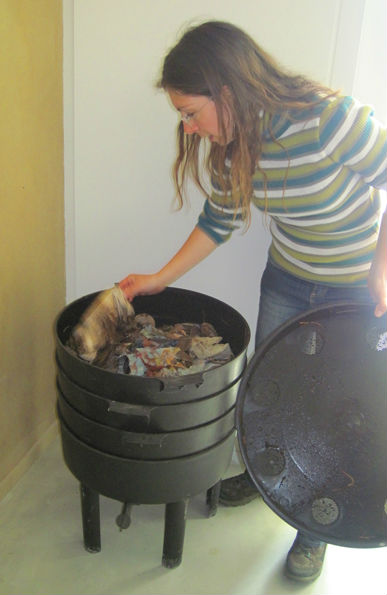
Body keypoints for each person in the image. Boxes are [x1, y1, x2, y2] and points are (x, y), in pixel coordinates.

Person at [119, 21, 387, 582]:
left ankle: (313, 532)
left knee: (335, 414)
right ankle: (268, 475)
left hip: (354, 292)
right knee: (268, 394)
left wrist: (382, 267)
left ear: (227, 91)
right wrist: (159, 278)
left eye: (192, 112)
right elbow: (219, 220)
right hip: (288, 280)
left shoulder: (328, 118)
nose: (189, 129)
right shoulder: (235, 145)